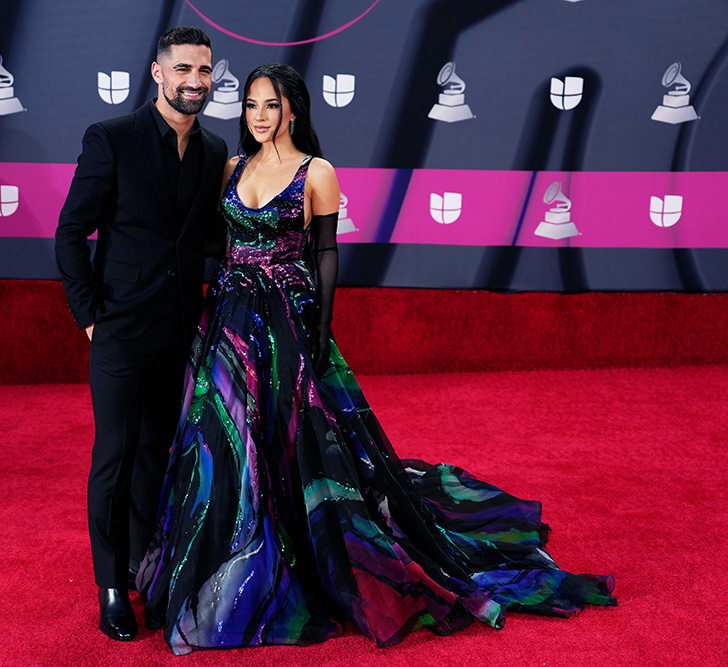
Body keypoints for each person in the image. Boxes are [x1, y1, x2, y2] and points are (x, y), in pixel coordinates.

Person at [136, 63, 616, 655]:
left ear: (294, 111)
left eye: (270, 106)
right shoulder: (232, 168)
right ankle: (218, 561)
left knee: (297, 442)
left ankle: (301, 556)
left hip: (289, 319)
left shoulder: (318, 172)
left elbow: (327, 253)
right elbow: (216, 241)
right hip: (231, 320)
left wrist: (319, 326)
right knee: (221, 439)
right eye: (251, 106)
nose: (258, 117)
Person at [55, 26, 228, 642]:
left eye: (204, 71)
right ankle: (109, 585)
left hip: (182, 329)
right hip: (122, 329)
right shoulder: (112, 139)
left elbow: (203, 236)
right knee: (115, 455)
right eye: (183, 69)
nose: (195, 82)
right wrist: (90, 315)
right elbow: (70, 232)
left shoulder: (214, 149)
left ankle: (142, 567)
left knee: (159, 453)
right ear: (158, 74)